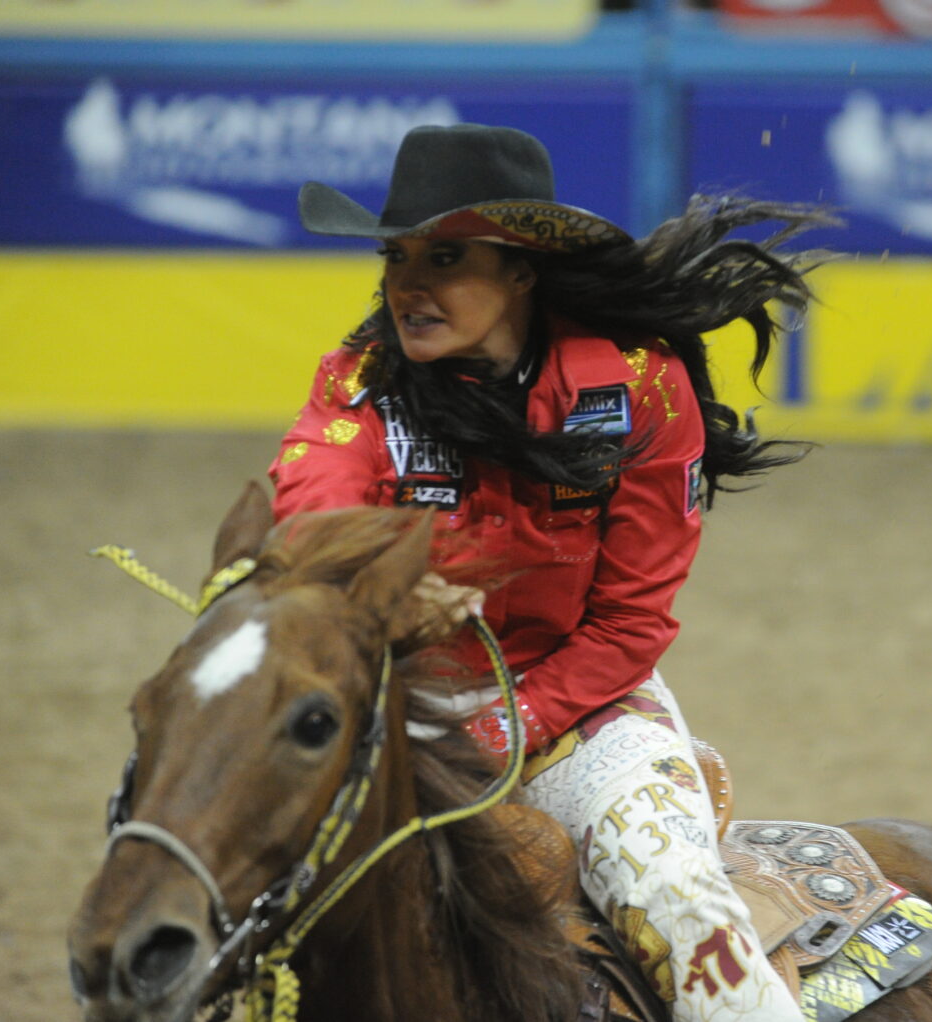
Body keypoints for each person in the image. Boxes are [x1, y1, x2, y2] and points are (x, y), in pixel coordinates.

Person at [269, 123, 831, 1022]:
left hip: (583, 709)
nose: (408, 284)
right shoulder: (358, 384)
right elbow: (312, 516)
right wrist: (373, 582)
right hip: (388, 704)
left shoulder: (642, 387)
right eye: (396, 256)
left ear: (521, 270)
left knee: (683, 900)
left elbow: (630, 626)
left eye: (445, 257)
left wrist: (497, 733)